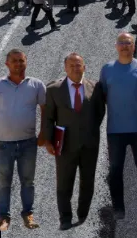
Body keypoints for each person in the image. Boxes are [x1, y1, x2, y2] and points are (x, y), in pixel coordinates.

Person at [41, 53, 106, 230]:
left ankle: (83, 213)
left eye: (78, 65)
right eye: (71, 65)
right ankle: (65, 218)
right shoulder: (53, 89)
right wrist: (48, 141)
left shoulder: (95, 87)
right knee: (64, 183)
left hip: (89, 145)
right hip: (65, 146)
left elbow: (100, 112)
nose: (75, 68)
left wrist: (89, 130)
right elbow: (48, 118)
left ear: (84, 67)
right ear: (65, 68)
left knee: (88, 181)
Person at [0, 49, 47, 231]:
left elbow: (45, 110)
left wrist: (43, 133)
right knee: (3, 183)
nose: (18, 64)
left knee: (28, 181)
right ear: (7, 64)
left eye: (21, 60)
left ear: (26, 62)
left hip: (28, 143)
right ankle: (4, 217)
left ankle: (28, 214)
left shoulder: (37, 85)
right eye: (14, 61)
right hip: (2, 144)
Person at [100, 33, 137, 218]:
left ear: (133, 46)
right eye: (121, 43)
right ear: (116, 46)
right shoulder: (107, 69)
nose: (124, 46)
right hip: (115, 131)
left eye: (128, 43)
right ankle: (118, 208)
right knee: (115, 171)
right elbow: (103, 96)